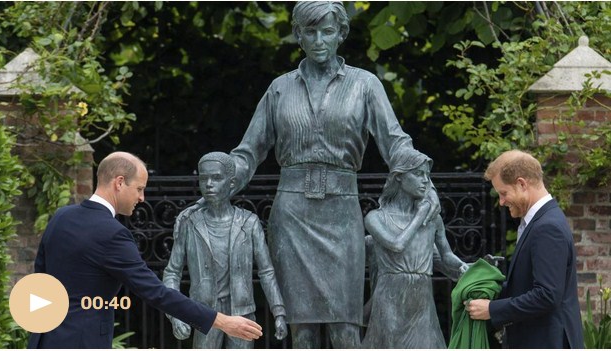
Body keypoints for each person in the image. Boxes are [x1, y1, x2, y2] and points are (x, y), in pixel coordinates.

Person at [196, 2, 442, 347]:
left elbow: (395, 142)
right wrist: (223, 182)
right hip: (293, 216)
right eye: (310, 32)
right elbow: (248, 152)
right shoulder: (280, 88)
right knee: (303, 329)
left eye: (327, 32)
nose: (319, 40)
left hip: (342, 213)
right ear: (298, 35)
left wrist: (421, 177)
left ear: (341, 34)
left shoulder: (365, 85)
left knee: (346, 326)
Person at [27, 152, 262, 348]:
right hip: (84, 342)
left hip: (44, 339)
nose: (142, 197)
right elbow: (155, 292)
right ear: (119, 183)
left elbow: (40, 280)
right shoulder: (113, 233)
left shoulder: (61, 217)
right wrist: (221, 321)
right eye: (139, 188)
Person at [162, 152, 288, 348]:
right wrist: (175, 314)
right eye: (204, 178)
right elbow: (172, 272)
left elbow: (266, 271)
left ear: (231, 183)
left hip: (242, 313)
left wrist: (279, 312)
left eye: (217, 178)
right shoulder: (190, 223)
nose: (209, 184)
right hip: (204, 314)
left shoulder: (249, 223)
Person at [466, 150, 584, 348]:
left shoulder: (547, 227)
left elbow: (547, 295)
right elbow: (528, 286)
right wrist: (489, 291)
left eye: (503, 193)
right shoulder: (538, 222)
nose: (501, 202)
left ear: (522, 184)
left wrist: (492, 310)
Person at [361, 148, 468, 348]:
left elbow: (446, 257)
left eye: (427, 175)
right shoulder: (376, 218)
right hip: (390, 297)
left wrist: (467, 267)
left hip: (421, 299)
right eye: (418, 174)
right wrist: (419, 216)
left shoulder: (433, 220)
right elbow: (396, 245)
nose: (425, 181)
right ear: (399, 177)